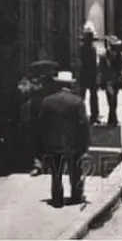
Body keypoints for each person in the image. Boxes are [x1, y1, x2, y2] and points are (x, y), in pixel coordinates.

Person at [37, 70, 90, 207]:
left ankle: (57, 198)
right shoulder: (77, 102)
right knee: (75, 171)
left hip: (54, 143)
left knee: (56, 172)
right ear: (70, 86)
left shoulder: (47, 101)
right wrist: (85, 145)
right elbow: (83, 124)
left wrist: (42, 145)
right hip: (73, 144)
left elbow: (41, 124)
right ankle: (76, 195)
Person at [98, 36, 122, 127]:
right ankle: (112, 119)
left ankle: (112, 119)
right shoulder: (104, 56)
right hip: (108, 82)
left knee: (114, 99)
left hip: (117, 81)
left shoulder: (120, 55)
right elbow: (100, 70)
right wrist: (99, 81)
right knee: (111, 100)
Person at [79, 22, 100, 125]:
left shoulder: (84, 47)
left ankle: (86, 115)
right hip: (89, 74)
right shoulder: (90, 48)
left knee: (86, 96)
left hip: (86, 74)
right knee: (91, 96)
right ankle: (93, 116)